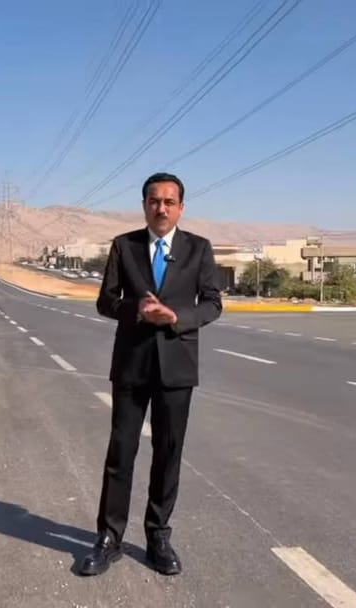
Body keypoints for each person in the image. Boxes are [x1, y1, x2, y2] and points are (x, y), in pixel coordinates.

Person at [78, 172, 222, 577]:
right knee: (121, 453)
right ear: (144, 205)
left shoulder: (199, 248)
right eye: (154, 201)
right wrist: (137, 310)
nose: (161, 208)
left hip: (177, 367)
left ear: (181, 208)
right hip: (132, 365)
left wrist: (176, 316)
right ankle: (109, 538)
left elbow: (212, 303)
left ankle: (158, 536)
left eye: (169, 202)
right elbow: (106, 301)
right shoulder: (124, 246)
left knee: (168, 453)